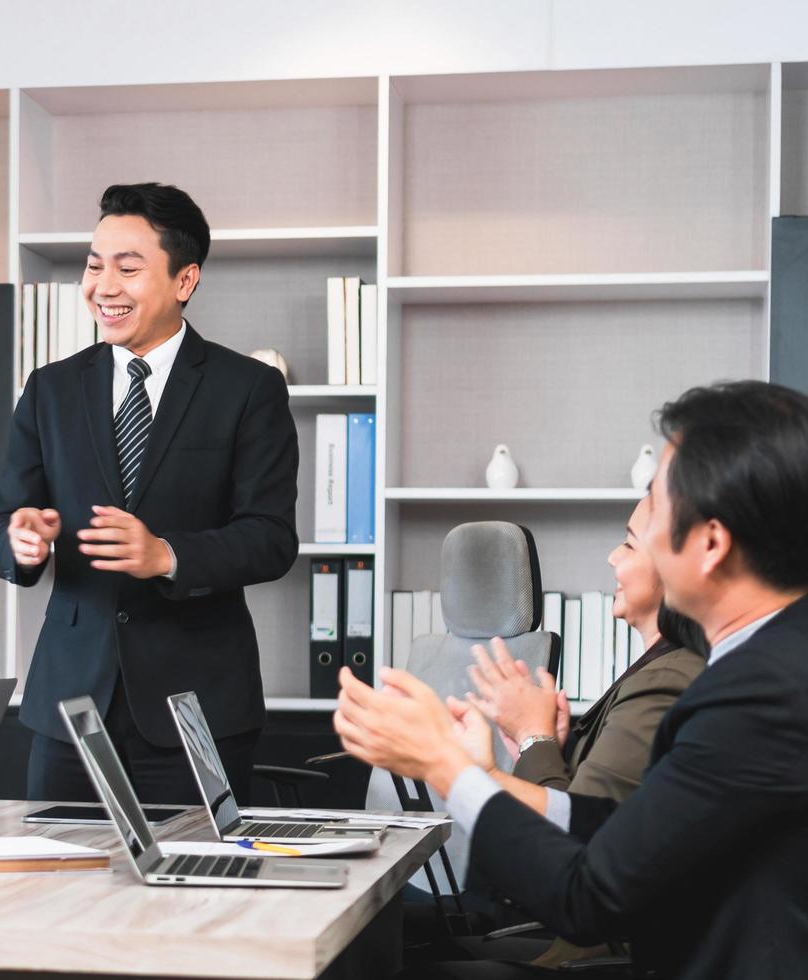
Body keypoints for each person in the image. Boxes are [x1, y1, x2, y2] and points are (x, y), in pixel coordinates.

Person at [333, 381, 808, 979]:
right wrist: (473, 773)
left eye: (656, 509)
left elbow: (587, 899)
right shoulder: (770, 665)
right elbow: (622, 834)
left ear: (711, 542)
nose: (633, 544)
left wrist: (441, 766)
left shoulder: (757, 696)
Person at [0, 182, 299, 804]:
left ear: (185, 280)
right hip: (70, 707)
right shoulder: (50, 390)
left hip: (199, 708)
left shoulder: (248, 388)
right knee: (60, 890)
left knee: (196, 891)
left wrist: (167, 556)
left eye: (128, 268)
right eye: (95, 266)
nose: (104, 286)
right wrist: (20, 542)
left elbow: (271, 538)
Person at [449, 497, 707, 968]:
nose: (613, 557)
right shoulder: (656, 670)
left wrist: (535, 739)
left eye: (629, 543)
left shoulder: (667, 680)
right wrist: (550, 748)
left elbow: (575, 846)